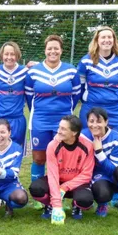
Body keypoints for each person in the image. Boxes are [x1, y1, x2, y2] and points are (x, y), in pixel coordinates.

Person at [25, 35, 81, 209]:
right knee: (39, 158)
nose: (53, 51)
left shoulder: (71, 71)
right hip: (40, 120)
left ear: (61, 50)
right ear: (45, 50)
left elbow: (77, 94)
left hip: (63, 121)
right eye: (50, 48)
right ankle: (40, 197)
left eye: (56, 48)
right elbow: (28, 96)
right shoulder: (34, 71)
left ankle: (61, 194)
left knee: (63, 160)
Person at [29, 115, 94, 225]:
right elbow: (53, 175)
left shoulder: (87, 146)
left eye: (63, 129)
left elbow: (86, 175)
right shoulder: (53, 145)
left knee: (86, 200)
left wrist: (65, 187)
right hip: (58, 181)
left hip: (76, 184)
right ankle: (50, 205)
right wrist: (57, 206)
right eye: (59, 127)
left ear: (74, 132)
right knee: (36, 188)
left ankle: (76, 205)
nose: (58, 131)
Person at [81, 107, 118, 231]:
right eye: (91, 121)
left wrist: (99, 151)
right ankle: (102, 205)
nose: (95, 125)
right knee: (102, 194)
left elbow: (113, 170)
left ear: (106, 122)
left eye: (99, 121)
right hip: (99, 175)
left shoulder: (117, 140)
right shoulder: (83, 137)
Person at [0, 42, 29, 208]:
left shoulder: (25, 72)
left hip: (17, 119)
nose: (9, 57)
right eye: (6, 54)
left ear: (17, 55)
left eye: (13, 54)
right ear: (1, 55)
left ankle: (12, 185)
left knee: (14, 154)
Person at [78, 26, 118, 143]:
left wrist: (111, 98)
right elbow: (80, 88)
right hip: (91, 108)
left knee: (117, 145)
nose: (107, 40)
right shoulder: (86, 61)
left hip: (116, 109)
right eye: (103, 37)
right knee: (88, 147)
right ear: (97, 40)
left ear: (114, 40)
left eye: (109, 37)